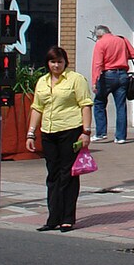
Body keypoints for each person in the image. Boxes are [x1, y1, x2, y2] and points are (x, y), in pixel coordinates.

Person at [26, 44, 94, 231]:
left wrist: (86, 132)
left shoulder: (75, 80)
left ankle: (67, 218)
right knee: (53, 175)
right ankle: (53, 217)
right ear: (47, 63)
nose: (56, 65)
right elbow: (37, 108)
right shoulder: (42, 81)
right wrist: (31, 133)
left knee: (68, 174)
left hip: (70, 130)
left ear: (66, 62)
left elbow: (86, 105)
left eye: (59, 62)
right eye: (52, 62)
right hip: (48, 131)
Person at [88, 24, 134, 143]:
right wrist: (120, 55)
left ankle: (101, 132)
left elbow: (97, 64)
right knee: (121, 106)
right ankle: (120, 137)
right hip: (123, 74)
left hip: (107, 75)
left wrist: (94, 81)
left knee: (99, 102)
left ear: (99, 35)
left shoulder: (100, 43)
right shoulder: (122, 40)